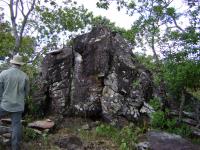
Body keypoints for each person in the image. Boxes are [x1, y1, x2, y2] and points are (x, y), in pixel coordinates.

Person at [0, 54, 29, 150]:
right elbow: (26, 93)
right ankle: (15, 148)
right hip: (18, 106)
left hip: (5, 104)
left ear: (12, 63)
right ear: (20, 64)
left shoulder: (3, 73)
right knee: (16, 126)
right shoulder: (25, 76)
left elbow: (0, 90)